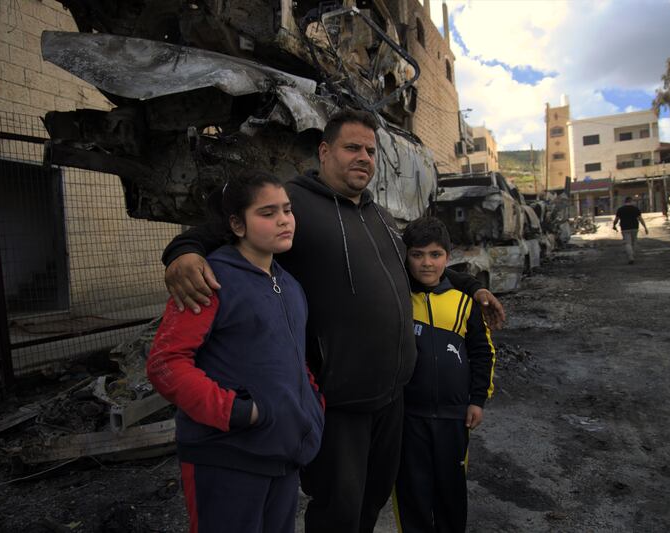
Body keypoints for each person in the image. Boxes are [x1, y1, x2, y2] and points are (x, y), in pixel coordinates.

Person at [161, 109, 506, 533]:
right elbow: (222, 230)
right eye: (351, 148)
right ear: (325, 152)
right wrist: (184, 252)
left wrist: (472, 288)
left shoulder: (380, 218)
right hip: (339, 400)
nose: (363, 157)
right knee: (337, 510)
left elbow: (419, 269)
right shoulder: (294, 203)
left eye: (370, 150)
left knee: (373, 498)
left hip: (391, 396)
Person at [146, 171, 325, 533]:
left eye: (287, 210)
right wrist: (237, 411)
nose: (283, 220)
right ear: (236, 224)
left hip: (282, 456)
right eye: (267, 212)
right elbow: (166, 363)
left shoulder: (289, 284)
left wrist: (311, 404)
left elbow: (293, 356)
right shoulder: (209, 281)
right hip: (227, 459)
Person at [394, 216, 495, 533]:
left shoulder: (465, 302)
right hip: (408, 417)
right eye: (417, 254)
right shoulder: (396, 299)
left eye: (435, 255)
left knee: (451, 493)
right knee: (412, 494)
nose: (426, 263)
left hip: (454, 418)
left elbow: (482, 352)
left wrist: (477, 400)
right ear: (406, 256)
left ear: (447, 257)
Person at [613, 196, 648, 264]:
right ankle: (632, 254)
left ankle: (630, 257)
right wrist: (645, 227)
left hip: (625, 228)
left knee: (627, 243)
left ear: (625, 202)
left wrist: (614, 225)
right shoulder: (635, 209)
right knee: (634, 242)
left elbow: (616, 219)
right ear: (631, 201)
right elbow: (640, 219)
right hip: (634, 227)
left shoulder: (620, 209)